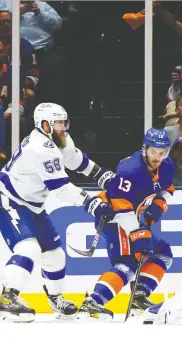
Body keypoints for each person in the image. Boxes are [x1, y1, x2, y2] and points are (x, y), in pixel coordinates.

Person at [0, 103, 116, 322]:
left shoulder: (59, 139)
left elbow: (75, 159)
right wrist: (93, 204)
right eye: (59, 123)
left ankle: (55, 298)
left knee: (55, 254)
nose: (64, 127)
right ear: (45, 125)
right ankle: (7, 297)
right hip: (9, 199)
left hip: (33, 204)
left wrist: (103, 175)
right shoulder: (40, 147)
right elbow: (61, 189)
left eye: (64, 122)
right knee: (29, 247)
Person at [77, 128, 175, 320]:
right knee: (128, 262)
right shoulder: (130, 171)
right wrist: (137, 233)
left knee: (162, 252)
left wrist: (159, 204)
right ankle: (93, 303)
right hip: (114, 217)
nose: (158, 157)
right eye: (154, 151)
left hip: (132, 217)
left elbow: (168, 189)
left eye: (162, 152)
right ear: (145, 149)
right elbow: (122, 208)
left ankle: (139, 296)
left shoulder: (166, 166)